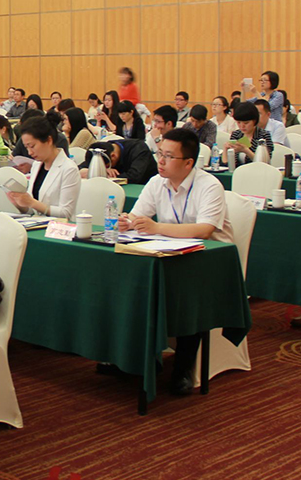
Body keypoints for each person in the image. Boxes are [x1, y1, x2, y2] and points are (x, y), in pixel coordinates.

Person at [118, 128, 233, 395]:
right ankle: (140, 359)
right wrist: (127, 222)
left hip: (210, 262)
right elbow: (137, 217)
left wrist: (156, 227)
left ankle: (183, 367)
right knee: (133, 284)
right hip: (170, 255)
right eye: (160, 153)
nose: (160, 161)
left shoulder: (209, 185)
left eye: (169, 156)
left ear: (188, 162)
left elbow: (204, 230)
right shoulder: (156, 182)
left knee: (188, 293)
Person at [6, 118, 81, 220]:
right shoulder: (37, 165)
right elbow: (33, 210)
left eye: (32, 146)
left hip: (58, 226)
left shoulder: (69, 169)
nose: (30, 152)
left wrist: (32, 202)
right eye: (26, 147)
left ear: (49, 140)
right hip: (37, 223)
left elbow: (66, 213)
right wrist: (19, 203)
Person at [79, 139, 158, 184]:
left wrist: (103, 174)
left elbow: (134, 177)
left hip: (143, 186)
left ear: (113, 156)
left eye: (107, 166)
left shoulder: (139, 149)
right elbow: (80, 167)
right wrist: (103, 170)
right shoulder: (102, 150)